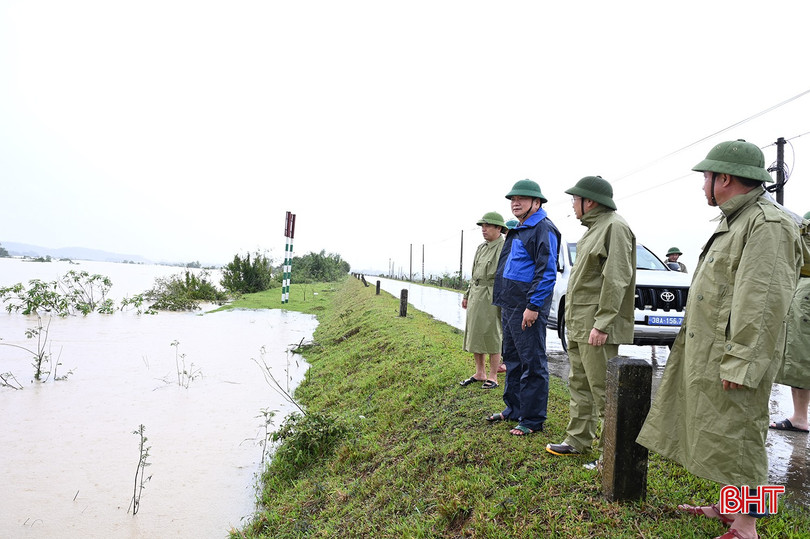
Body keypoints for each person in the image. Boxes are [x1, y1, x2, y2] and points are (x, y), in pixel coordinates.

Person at [636, 140, 803, 539]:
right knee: (727, 433)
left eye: (707, 177)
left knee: (745, 435)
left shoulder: (768, 224)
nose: (703, 185)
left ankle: (748, 527)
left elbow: (762, 302)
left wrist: (743, 361)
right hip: (716, 348)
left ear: (724, 178)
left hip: (738, 353)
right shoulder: (738, 219)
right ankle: (731, 510)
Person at [545, 176, 636, 467]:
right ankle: (577, 439)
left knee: (603, 390)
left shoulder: (614, 227)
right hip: (579, 321)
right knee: (579, 382)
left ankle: (610, 457)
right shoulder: (593, 229)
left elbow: (617, 278)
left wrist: (603, 322)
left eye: (575, 199)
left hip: (596, 325)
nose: (572, 205)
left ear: (590, 201)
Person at [486, 179, 560, 436]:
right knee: (513, 359)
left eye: (522, 199)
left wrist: (534, 305)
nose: (515, 203)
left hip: (526, 307)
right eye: (512, 199)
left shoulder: (543, 229)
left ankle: (532, 419)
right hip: (510, 305)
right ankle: (513, 409)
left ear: (536, 202)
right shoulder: (519, 228)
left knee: (533, 362)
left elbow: (547, 272)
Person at [769, 210, 810, 434]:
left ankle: (801, 418)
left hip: (805, 291)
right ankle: (800, 417)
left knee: (801, 354)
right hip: (801, 287)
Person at [459, 212, 507, 389]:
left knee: (493, 332)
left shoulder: (504, 247)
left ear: (498, 228)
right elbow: (474, 274)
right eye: (482, 226)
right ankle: (480, 372)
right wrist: (467, 294)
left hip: (493, 293)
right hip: (476, 293)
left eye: (487, 226)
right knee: (475, 332)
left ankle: (493, 375)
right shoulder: (481, 247)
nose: (483, 229)